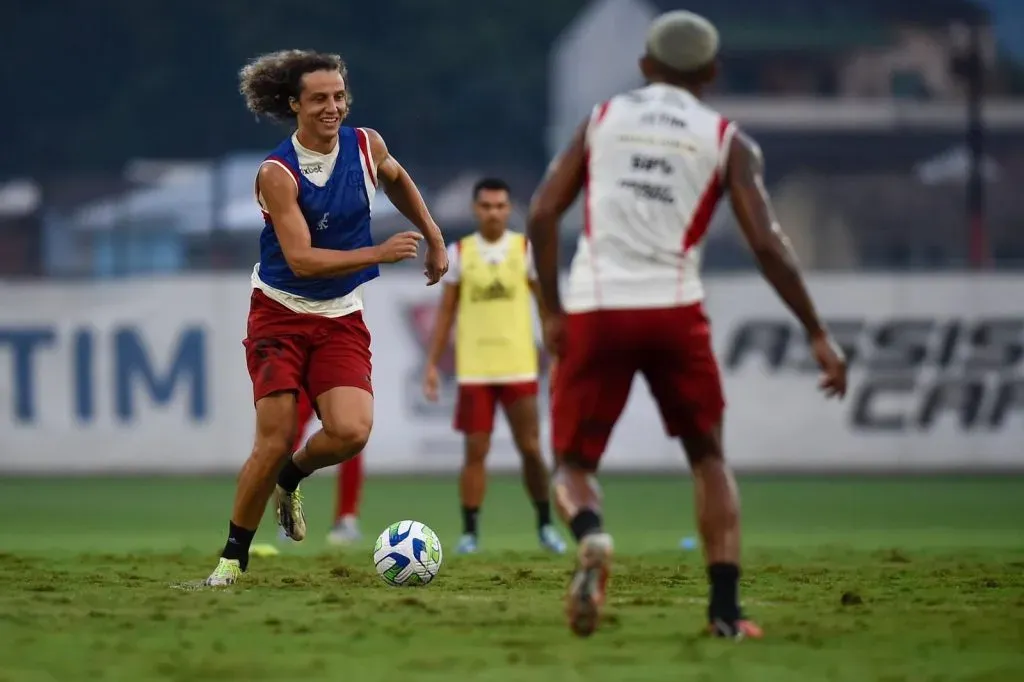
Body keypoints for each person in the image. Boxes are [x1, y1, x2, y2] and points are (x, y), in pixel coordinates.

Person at [527, 11, 848, 638]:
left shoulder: (602, 120)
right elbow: (769, 244)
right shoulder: (728, 139)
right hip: (674, 309)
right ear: (710, 72)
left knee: (571, 463)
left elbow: (541, 213)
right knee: (708, 457)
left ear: (645, 65)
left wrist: (551, 311)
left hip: (597, 307)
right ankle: (726, 613)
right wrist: (815, 329)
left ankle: (592, 538)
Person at [205, 49, 448, 586]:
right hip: (279, 314)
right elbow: (301, 260)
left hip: (340, 316)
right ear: (294, 105)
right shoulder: (277, 173)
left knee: (351, 431)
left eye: (339, 96)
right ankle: (230, 560)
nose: (332, 107)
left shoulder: (367, 144)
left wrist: (432, 236)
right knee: (274, 437)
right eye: (319, 99)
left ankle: (291, 478)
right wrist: (376, 253)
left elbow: (398, 178)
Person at [422, 178, 567, 555]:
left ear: (509, 209)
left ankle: (545, 525)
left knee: (532, 450)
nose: (494, 212)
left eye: (500, 206)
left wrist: (558, 352)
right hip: (475, 370)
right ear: (475, 209)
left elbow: (545, 307)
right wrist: (433, 364)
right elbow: (446, 313)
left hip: (519, 366)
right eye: (486, 206)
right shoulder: (460, 253)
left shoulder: (525, 250)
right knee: (475, 452)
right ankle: (470, 533)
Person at [282, 390, 364, 545]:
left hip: (337, 370)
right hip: (303, 369)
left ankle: (346, 518)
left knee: (350, 432)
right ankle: (288, 517)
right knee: (291, 432)